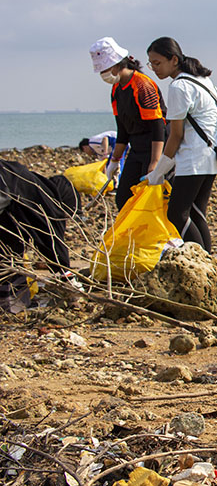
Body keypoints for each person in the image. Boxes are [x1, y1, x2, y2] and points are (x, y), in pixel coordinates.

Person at [144, 37, 217, 252]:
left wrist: (158, 172)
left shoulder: (179, 86)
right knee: (197, 212)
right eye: (151, 64)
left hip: (194, 158)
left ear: (174, 59)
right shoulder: (202, 79)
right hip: (213, 155)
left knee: (176, 213)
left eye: (158, 63)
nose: (154, 69)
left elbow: (176, 135)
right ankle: (209, 263)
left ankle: (201, 262)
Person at [89, 37, 167, 210]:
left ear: (117, 64)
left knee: (148, 197)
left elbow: (157, 126)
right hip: (136, 146)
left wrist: (154, 162)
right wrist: (114, 160)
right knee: (123, 198)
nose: (104, 74)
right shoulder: (116, 89)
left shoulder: (142, 85)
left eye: (105, 69)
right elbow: (122, 129)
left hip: (155, 146)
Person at [0, 160, 80, 310]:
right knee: (10, 249)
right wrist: (66, 276)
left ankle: (10, 303)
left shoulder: (30, 185)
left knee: (9, 248)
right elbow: (53, 243)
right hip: (4, 192)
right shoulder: (47, 201)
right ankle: (12, 303)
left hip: (7, 197)